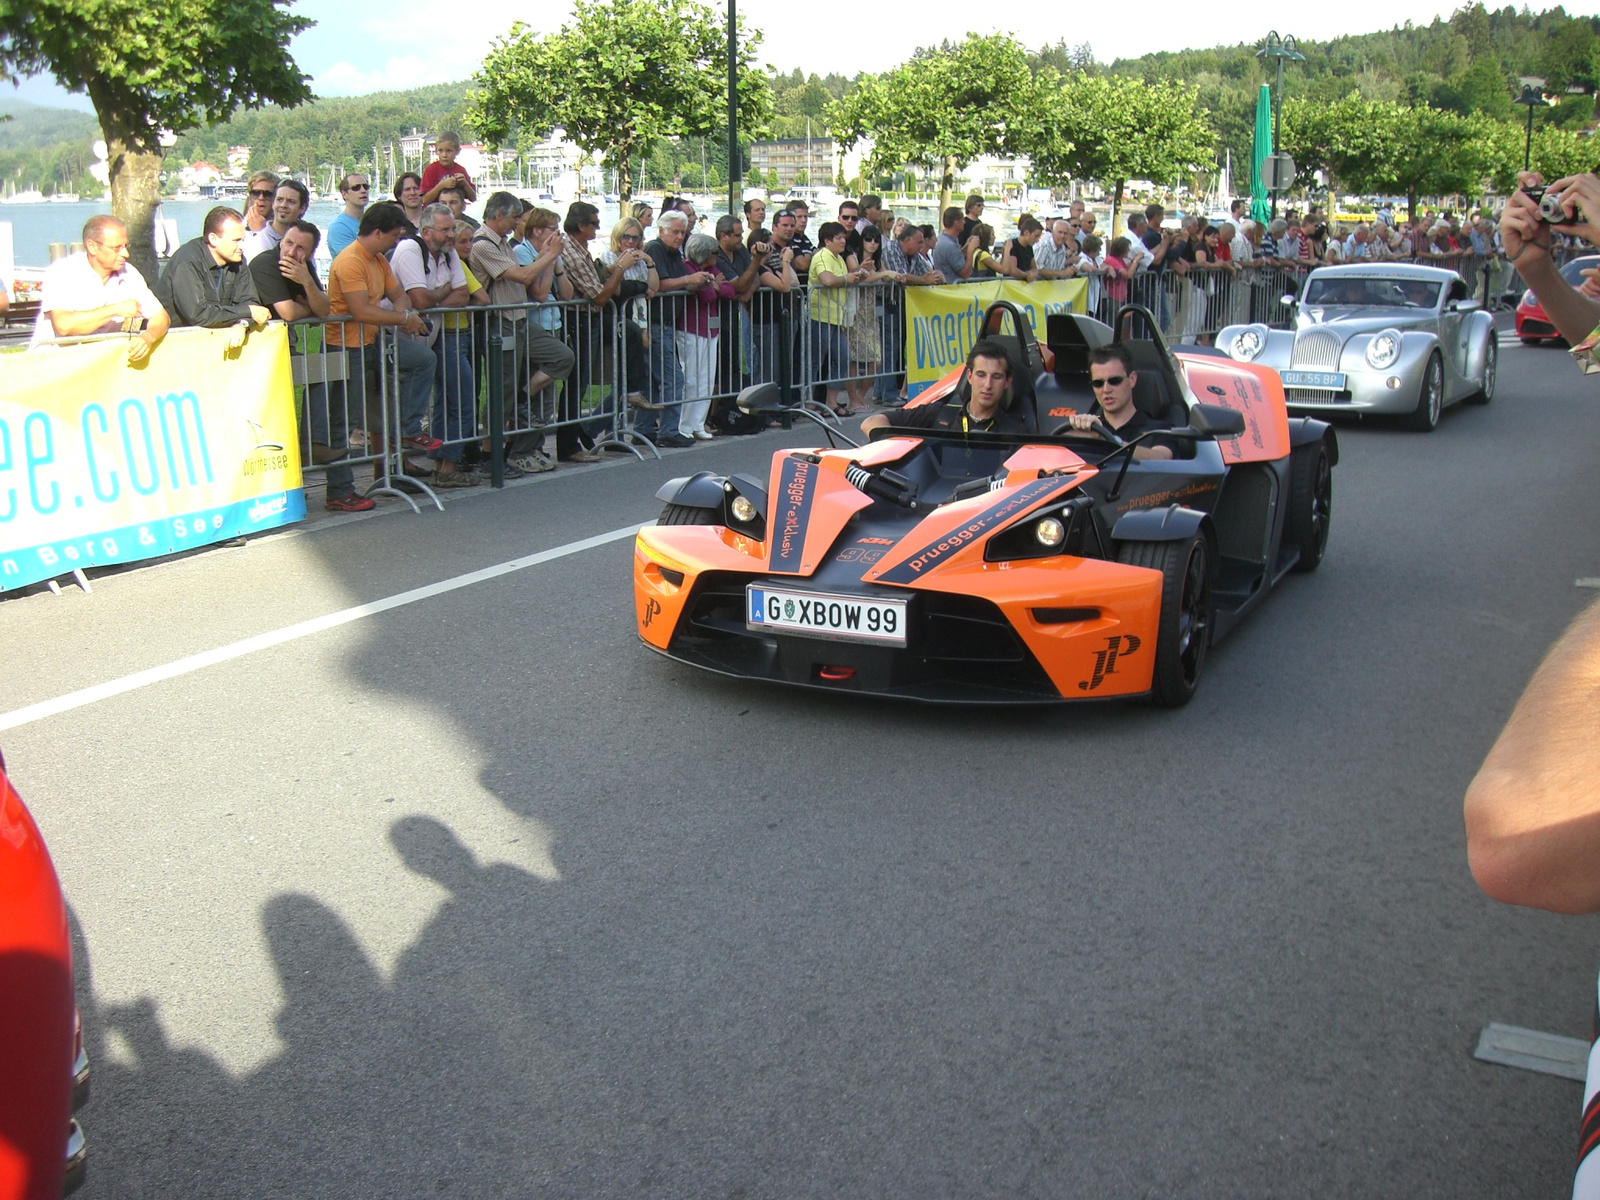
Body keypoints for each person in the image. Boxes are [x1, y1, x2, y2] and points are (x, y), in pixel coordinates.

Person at [325, 201, 441, 493]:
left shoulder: (378, 259)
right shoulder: (351, 260)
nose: (396, 242)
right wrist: (402, 317)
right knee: (346, 417)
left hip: (373, 339)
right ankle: (340, 489)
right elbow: (361, 310)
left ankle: (407, 430)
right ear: (377, 233)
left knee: (422, 360)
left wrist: (404, 315)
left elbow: (399, 295)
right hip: (347, 345)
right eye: (394, 236)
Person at [470, 191, 574, 474]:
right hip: (500, 322)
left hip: (521, 320)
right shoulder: (483, 244)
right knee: (500, 391)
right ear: (499, 215)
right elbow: (524, 276)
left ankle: (523, 398)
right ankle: (491, 457)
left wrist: (547, 258)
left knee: (561, 356)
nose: (519, 223)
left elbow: (535, 285)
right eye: (515, 217)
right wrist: (549, 255)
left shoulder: (503, 244)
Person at [392, 203, 476, 486]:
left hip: (431, 338)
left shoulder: (449, 254)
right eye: (445, 229)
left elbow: (463, 295)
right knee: (404, 404)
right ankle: (410, 467)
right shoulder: (409, 249)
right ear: (426, 232)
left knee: (457, 396)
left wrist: (433, 297)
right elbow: (419, 300)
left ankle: (445, 464)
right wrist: (441, 294)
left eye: (453, 228)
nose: (452, 234)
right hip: (399, 339)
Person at [30, 215, 169, 361]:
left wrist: (147, 337)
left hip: (98, 365)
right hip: (52, 364)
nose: (125, 254)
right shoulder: (62, 272)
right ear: (92, 246)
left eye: (126, 246)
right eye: (116, 248)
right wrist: (115, 309)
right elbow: (63, 325)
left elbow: (160, 316)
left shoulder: (129, 274)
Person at [860, 338, 1027, 436]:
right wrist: (894, 450)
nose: (987, 385)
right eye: (981, 375)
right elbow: (871, 422)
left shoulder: (1015, 432)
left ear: (1007, 381)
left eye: (996, 377)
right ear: (969, 376)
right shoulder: (940, 413)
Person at [154, 206, 270, 344]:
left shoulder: (238, 259)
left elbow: (251, 302)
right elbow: (198, 314)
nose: (242, 246)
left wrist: (242, 324)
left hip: (213, 346)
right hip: (175, 345)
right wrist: (247, 312)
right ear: (213, 239)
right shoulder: (187, 261)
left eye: (243, 239)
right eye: (236, 240)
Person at [640, 210, 706, 447]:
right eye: (675, 232)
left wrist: (697, 280)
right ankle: (668, 430)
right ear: (662, 230)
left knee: (653, 381)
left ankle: (644, 427)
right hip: (656, 323)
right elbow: (661, 284)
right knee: (672, 378)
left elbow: (679, 280)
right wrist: (689, 281)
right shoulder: (656, 248)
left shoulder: (674, 253)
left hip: (667, 324)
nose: (680, 237)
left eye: (682, 232)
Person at [1064, 344, 1174, 459]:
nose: (1106, 389)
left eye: (1114, 381)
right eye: (1098, 383)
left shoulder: (1159, 430)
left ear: (1132, 379)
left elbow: (1161, 458)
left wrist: (1106, 440)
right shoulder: (1088, 430)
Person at [676, 233, 735, 440]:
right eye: (713, 253)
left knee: (706, 378)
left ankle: (698, 423)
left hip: (711, 330)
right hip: (692, 328)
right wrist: (714, 286)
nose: (717, 257)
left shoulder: (711, 270)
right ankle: (684, 425)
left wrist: (714, 285)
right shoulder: (687, 267)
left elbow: (729, 291)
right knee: (690, 377)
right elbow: (706, 294)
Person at [597, 217, 657, 417]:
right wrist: (640, 287)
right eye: (626, 237)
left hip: (638, 319)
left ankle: (604, 430)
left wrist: (649, 262)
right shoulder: (608, 257)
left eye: (635, 237)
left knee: (630, 381)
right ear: (617, 236)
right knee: (623, 381)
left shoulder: (640, 262)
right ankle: (593, 428)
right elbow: (617, 290)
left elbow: (653, 289)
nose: (630, 242)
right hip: (617, 321)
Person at [807, 220, 863, 416]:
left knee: (842, 358)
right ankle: (809, 403)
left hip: (835, 318)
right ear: (827, 240)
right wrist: (848, 278)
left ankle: (831, 402)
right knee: (814, 360)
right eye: (838, 238)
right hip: (819, 316)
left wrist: (857, 276)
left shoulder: (839, 258)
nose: (843, 241)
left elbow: (843, 278)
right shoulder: (822, 256)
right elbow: (828, 280)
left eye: (843, 237)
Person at [243, 177, 309, 261]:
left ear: (302, 208)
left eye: (291, 201)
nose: (283, 205)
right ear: (273, 203)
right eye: (279, 200)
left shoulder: (304, 241)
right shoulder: (259, 242)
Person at [420, 132, 476, 206]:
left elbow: (473, 198)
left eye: (449, 151)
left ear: (457, 151)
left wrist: (465, 184)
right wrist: (441, 185)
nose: (444, 155)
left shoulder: (461, 170)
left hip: (455, 213)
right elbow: (424, 200)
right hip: (435, 213)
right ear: (436, 151)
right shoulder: (431, 170)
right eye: (441, 151)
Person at [327, 174, 369, 258]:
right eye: (356, 188)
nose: (363, 190)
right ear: (344, 194)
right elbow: (353, 261)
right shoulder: (339, 227)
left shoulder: (372, 221)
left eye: (365, 186)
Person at [933, 206, 977, 284]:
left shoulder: (942, 238)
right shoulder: (949, 246)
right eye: (962, 219)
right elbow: (965, 273)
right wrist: (970, 250)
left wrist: (966, 247)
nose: (964, 222)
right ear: (956, 223)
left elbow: (952, 259)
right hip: (953, 288)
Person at [1000, 214, 1044, 282]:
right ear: (1027, 233)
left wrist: (1034, 273)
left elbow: (1034, 267)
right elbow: (1013, 270)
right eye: (1036, 236)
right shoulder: (1013, 245)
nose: (1037, 240)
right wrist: (1027, 275)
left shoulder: (1029, 247)